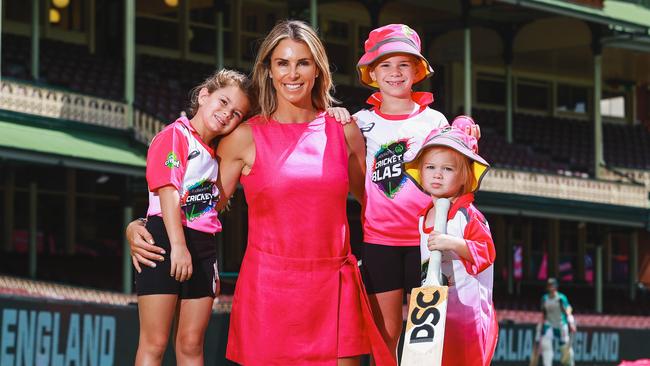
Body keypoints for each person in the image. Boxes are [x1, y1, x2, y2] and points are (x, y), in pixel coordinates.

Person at [128, 20, 394, 366]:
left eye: (303, 62)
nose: (292, 73)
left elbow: (377, 204)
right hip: (269, 294)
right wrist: (139, 225)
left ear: (318, 70)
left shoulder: (344, 130)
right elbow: (200, 205)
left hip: (334, 291)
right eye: (282, 63)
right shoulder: (243, 137)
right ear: (268, 70)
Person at [352, 23, 481, 356]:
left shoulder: (435, 121)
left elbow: (456, 177)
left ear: (418, 70)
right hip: (379, 240)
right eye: (385, 65)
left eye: (404, 64)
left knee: (428, 336)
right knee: (386, 333)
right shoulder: (360, 122)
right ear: (372, 72)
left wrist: (466, 136)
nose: (395, 73)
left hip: (428, 240)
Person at [134, 69, 252, 366]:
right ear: (203, 95)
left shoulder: (219, 154)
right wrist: (178, 246)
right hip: (165, 242)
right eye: (223, 102)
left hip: (203, 247)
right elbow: (167, 191)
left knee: (190, 343)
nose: (227, 114)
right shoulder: (175, 135)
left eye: (236, 112)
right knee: (155, 342)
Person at [403, 119, 498, 366]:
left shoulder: (468, 215)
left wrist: (452, 243)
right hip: (434, 311)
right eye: (431, 167)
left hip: (468, 312)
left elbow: (486, 252)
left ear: (464, 174)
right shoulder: (424, 216)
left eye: (447, 169)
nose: (437, 174)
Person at [533, 278, 576, 366]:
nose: (551, 288)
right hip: (549, 324)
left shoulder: (561, 298)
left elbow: (568, 309)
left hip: (561, 324)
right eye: (549, 286)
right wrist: (540, 325)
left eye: (552, 285)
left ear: (556, 287)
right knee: (546, 344)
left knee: (565, 347)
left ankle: (569, 363)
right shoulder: (545, 298)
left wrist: (571, 322)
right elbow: (543, 313)